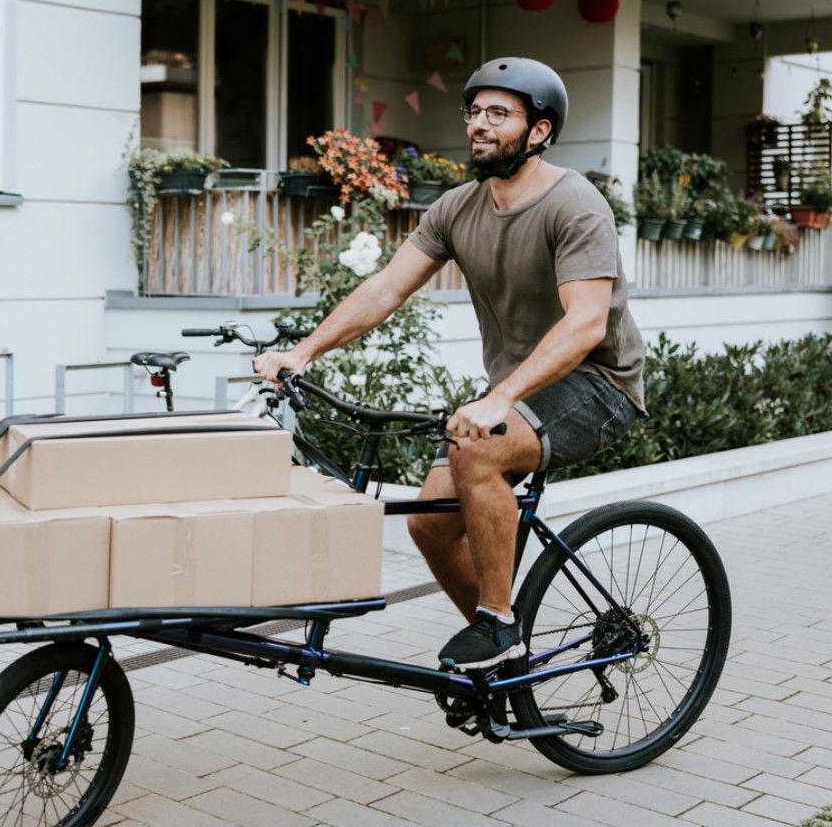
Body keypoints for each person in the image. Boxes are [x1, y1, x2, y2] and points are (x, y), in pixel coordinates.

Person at [254, 57, 647, 671]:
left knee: (477, 450)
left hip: (598, 384)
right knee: (431, 525)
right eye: (475, 111)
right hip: (519, 390)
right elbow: (386, 288)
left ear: (539, 131)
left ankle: (498, 622)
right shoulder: (457, 208)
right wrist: (303, 352)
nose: (479, 124)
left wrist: (499, 398)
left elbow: (586, 323)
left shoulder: (576, 204)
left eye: (499, 113)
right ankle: (505, 663)